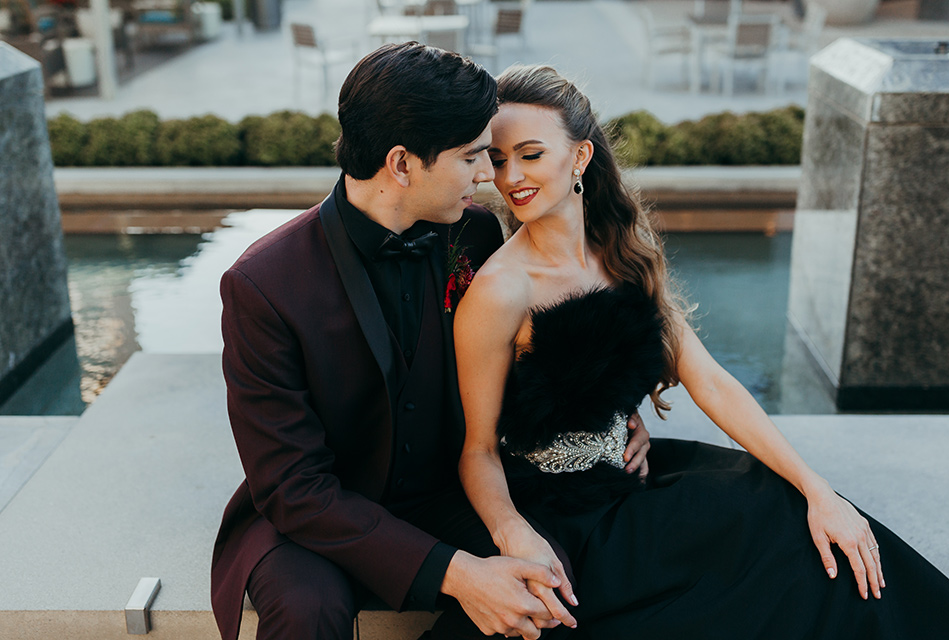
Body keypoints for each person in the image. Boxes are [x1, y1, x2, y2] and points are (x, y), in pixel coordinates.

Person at [453, 64, 949, 638]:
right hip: (564, 521)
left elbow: (711, 382)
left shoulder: (620, 250)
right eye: (497, 159)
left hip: (634, 478)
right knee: (766, 562)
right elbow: (478, 451)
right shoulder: (500, 290)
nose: (510, 176)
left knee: (804, 513)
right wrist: (513, 533)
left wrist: (817, 487)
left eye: (530, 154)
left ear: (580, 158)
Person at [211, 44, 652, 640]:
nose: (487, 176)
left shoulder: (471, 232)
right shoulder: (262, 285)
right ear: (402, 163)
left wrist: (611, 412)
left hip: (446, 492)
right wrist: (458, 573)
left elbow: (516, 359)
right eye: (473, 157)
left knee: (544, 592)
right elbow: (293, 489)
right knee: (306, 615)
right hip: (316, 516)